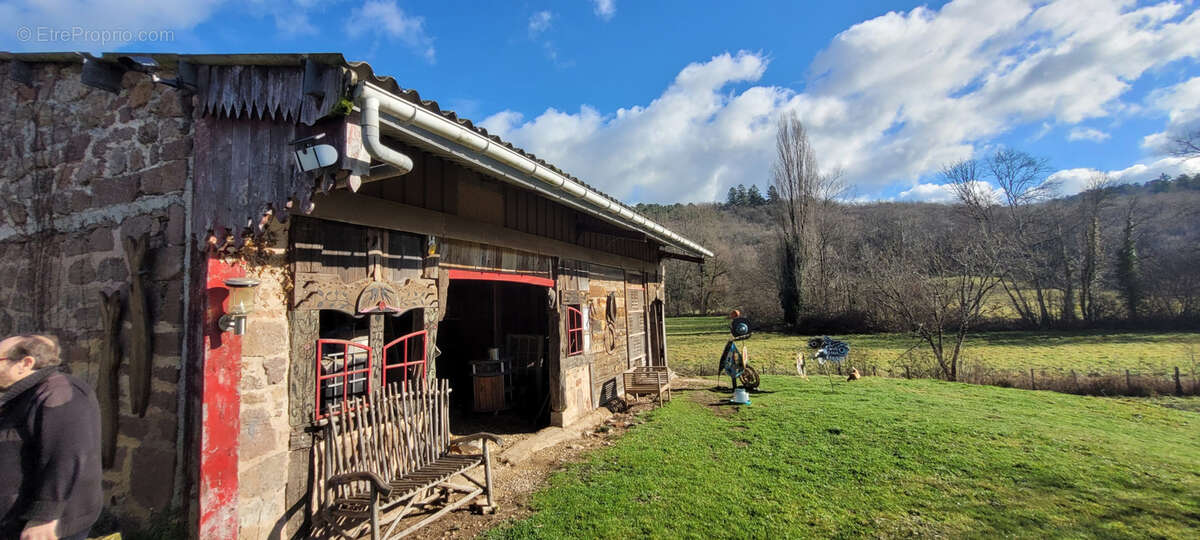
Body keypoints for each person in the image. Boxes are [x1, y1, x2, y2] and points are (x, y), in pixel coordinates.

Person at [0, 335, 102, 540]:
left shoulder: (60, 391)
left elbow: (66, 455)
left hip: (42, 526)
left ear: (25, 363)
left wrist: (44, 516)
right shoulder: (21, 394)